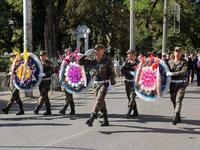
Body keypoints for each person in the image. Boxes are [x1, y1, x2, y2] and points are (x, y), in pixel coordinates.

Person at [79, 44, 116, 127]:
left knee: (99, 99)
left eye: (99, 49)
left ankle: (92, 117)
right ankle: (106, 119)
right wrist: (85, 54)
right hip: (95, 84)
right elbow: (80, 62)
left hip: (104, 83)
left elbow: (111, 70)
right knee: (101, 101)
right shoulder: (92, 60)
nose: (97, 51)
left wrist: (112, 81)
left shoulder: (107, 60)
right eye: (96, 50)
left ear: (102, 51)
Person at [167, 47, 187, 125]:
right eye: (176, 51)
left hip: (181, 84)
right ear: (174, 53)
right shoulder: (170, 62)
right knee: (173, 100)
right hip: (172, 84)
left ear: (181, 53)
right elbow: (165, 70)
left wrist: (172, 74)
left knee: (178, 100)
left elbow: (183, 72)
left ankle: (175, 116)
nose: (177, 53)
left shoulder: (184, 62)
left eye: (179, 52)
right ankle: (178, 114)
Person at [33, 51, 54, 115]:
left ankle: (37, 108)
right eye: (40, 56)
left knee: (42, 95)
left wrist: (44, 74)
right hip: (40, 82)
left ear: (45, 56)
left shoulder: (49, 63)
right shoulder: (38, 63)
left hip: (47, 81)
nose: (41, 57)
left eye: (43, 55)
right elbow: (35, 70)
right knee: (45, 96)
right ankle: (48, 111)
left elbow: (52, 70)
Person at [121, 50, 138, 118]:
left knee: (132, 97)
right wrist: (129, 72)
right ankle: (135, 112)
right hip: (127, 82)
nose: (128, 55)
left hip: (135, 83)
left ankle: (128, 112)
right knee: (129, 98)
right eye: (128, 54)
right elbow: (122, 70)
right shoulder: (126, 62)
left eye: (130, 54)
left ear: (133, 55)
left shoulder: (138, 63)